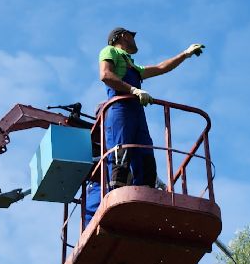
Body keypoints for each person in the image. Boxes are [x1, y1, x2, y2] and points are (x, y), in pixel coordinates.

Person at [82, 27, 205, 226]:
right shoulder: (109, 51)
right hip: (120, 108)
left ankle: (146, 199)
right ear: (121, 36)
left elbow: (161, 67)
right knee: (121, 153)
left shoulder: (131, 64)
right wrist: (133, 89)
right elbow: (105, 75)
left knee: (145, 154)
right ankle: (117, 202)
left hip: (136, 113)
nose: (135, 39)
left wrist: (185, 54)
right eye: (132, 35)